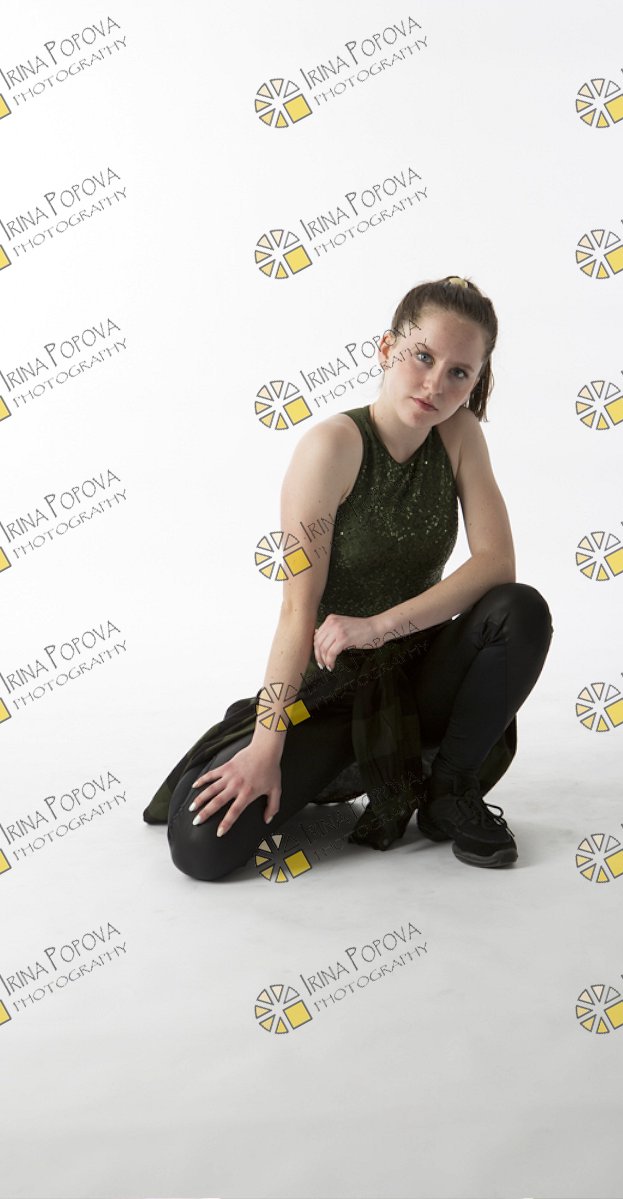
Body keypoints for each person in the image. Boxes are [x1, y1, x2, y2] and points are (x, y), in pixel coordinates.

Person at [143, 275, 553, 878]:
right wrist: (265, 747)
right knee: (202, 847)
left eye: (459, 373)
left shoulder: (460, 435)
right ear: (387, 348)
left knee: (519, 609)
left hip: (418, 680)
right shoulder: (332, 447)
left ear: (476, 381)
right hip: (327, 698)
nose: (436, 385)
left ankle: (451, 792)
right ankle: (291, 755)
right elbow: (296, 612)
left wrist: (378, 627)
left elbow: (497, 563)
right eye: (423, 357)